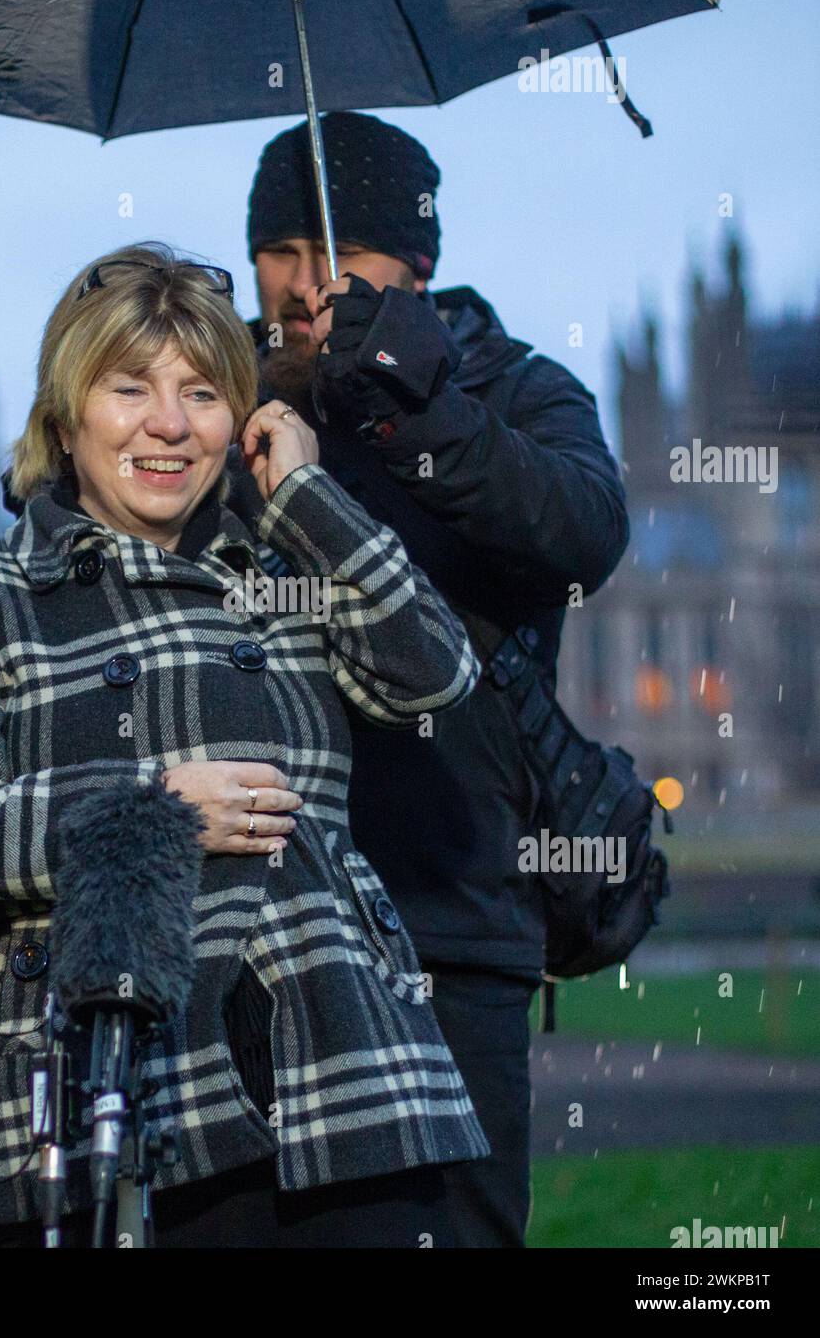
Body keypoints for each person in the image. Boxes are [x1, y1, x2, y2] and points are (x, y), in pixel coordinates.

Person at [0, 243, 489, 1249]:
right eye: (130, 388)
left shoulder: (287, 566)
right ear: (69, 414)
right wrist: (153, 804)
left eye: (202, 392)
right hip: (87, 1092)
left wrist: (307, 500)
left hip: (331, 1085)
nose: (168, 424)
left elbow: (437, 676)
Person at [236, 111, 630, 1246]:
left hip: (453, 916)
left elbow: (582, 533)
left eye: (340, 250)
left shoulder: (513, 390)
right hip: (268, 924)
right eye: (283, 250)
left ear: (417, 263)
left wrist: (415, 410)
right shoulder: (229, 401)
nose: (307, 282)